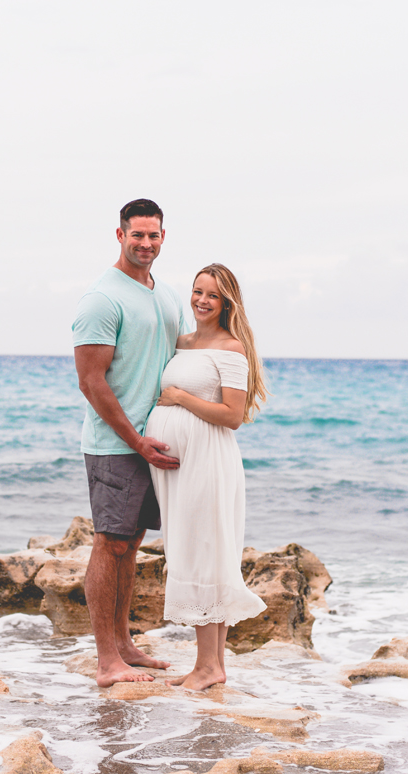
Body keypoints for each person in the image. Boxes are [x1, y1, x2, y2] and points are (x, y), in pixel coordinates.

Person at [72, 199, 189, 687]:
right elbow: (91, 381)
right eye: (137, 235)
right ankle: (106, 662)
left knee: (132, 544)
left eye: (154, 236)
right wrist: (136, 441)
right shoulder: (103, 298)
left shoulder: (165, 296)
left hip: (150, 442)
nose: (145, 244)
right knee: (110, 543)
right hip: (115, 444)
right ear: (119, 235)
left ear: (164, 238)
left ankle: (125, 646)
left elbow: (182, 358)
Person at [145, 263, 269, 691]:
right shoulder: (182, 343)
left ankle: (207, 667)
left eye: (212, 295)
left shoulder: (231, 349)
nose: (201, 300)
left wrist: (178, 397)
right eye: (197, 291)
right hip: (179, 467)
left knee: (205, 551)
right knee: (193, 549)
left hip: (208, 461)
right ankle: (211, 666)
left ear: (226, 303)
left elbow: (232, 415)